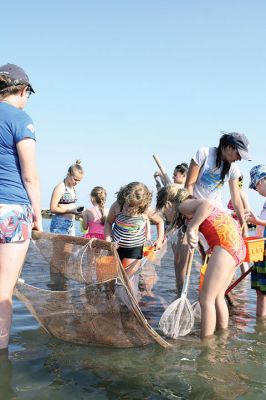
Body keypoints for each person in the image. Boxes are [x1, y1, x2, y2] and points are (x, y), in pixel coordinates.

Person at [156, 185, 246, 338]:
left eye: (165, 213)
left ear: (168, 204)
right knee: (218, 296)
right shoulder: (190, 213)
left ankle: (206, 342)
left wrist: (192, 228)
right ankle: (222, 335)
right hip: (236, 247)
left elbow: (207, 205)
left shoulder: (183, 205)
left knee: (206, 299)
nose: (166, 217)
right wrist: (193, 234)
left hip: (226, 245)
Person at [172, 132, 250, 297]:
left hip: (214, 216)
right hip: (195, 209)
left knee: (211, 259)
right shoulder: (204, 154)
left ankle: (210, 294)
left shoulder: (233, 168)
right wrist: (191, 216)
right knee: (182, 261)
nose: (239, 158)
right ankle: (180, 293)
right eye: (238, 154)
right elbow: (189, 186)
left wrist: (243, 224)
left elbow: (236, 200)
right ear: (228, 147)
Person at [0, 63, 42, 350]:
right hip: (12, 210)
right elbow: (30, 175)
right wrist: (38, 216)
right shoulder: (21, 119)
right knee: (3, 290)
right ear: (23, 90)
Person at [105, 182, 164, 270]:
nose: (130, 208)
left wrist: (159, 239)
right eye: (128, 204)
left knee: (127, 278)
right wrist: (108, 239)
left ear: (142, 204)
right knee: (110, 276)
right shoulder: (117, 206)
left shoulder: (146, 210)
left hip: (134, 248)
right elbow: (108, 222)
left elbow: (159, 221)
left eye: (133, 206)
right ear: (124, 197)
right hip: (115, 246)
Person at [247, 165, 266, 317]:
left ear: (260, 181)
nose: (257, 192)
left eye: (255, 187)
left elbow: (262, 221)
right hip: (260, 249)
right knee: (260, 291)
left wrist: (257, 220)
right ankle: (260, 325)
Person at [49, 160, 84, 235]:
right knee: (59, 247)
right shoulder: (60, 187)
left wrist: (81, 213)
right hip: (60, 223)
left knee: (70, 247)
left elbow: (70, 205)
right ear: (68, 174)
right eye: (75, 179)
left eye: (79, 181)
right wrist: (70, 211)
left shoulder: (73, 188)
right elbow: (53, 208)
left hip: (71, 223)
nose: (77, 182)